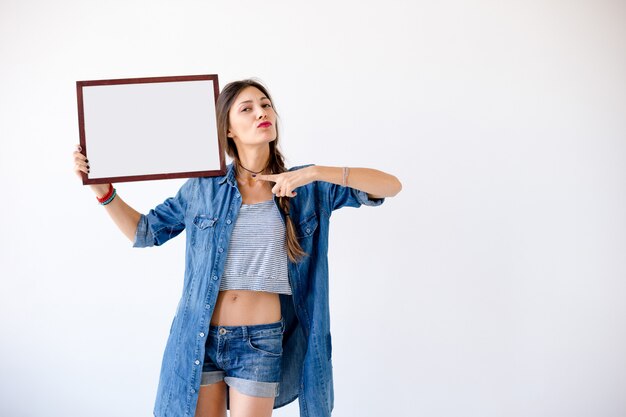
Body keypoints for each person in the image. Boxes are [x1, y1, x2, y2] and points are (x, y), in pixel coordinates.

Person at [73, 78, 402, 417]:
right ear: (228, 129)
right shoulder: (204, 188)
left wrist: (315, 172)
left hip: (260, 342)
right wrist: (102, 190)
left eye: (266, 104)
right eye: (247, 108)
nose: (262, 112)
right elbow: (145, 232)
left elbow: (390, 186)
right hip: (200, 337)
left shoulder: (307, 186)